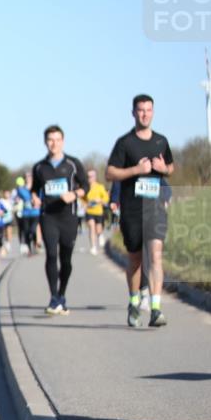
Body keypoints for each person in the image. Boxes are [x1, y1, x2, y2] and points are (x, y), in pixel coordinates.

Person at [106, 93, 173, 328]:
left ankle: (156, 308)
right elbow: (110, 173)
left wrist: (164, 168)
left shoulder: (161, 141)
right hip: (132, 209)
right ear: (133, 113)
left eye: (148, 110)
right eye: (140, 110)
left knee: (155, 255)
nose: (145, 114)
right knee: (135, 259)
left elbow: (171, 167)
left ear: (153, 112)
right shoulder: (125, 143)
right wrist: (136, 169)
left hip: (154, 207)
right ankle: (134, 301)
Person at [30, 125, 89, 315]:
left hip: (68, 216)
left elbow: (85, 186)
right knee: (51, 255)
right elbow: (35, 189)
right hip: (48, 216)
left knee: (66, 259)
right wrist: (34, 197)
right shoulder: (39, 167)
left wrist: (74, 194)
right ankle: (54, 297)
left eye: (57, 139)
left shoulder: (73, 163)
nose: (53, 143)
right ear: (45, 142)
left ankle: (62, 294)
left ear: (63, 141)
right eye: (50, 140)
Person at [84, 169, 110, 255]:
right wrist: (85, 204)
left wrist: (100, 200)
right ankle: (93, 247)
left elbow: (106, 198)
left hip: (98, 211)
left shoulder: (100, 187)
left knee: (98, 230)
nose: (89, 178)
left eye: (91, 176)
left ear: (95, 177)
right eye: (88, 176)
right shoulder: (86, 187)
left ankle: (100, 235)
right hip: (89, 211)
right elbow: (82, 198)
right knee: (91, 227)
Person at [14, 175, 41, 255]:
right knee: (26, 231)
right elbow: (22, 197)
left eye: (30, 178)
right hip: (25, 213)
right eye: (27, 178)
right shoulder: (21, 189)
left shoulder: (37, 188)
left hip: (35, 213)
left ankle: (35, 244)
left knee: (33, 230)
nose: (28, 179)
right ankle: (29, 248)